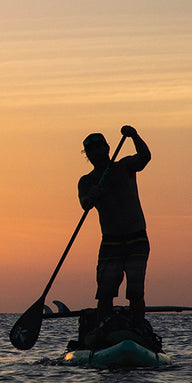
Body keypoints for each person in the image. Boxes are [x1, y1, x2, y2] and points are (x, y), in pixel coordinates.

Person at [78, 125, 152, 323]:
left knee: (135, 292)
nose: (95, 153)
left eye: (99, 148)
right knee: (105, 293)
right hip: (111, 243)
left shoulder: (125, 166)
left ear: (107, 148)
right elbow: (85, 205)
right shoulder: (87, 181)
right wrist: (91, 197)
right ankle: (103, 328)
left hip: (136, 238)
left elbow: (145, 157)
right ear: (88, 155)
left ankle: (136, 327)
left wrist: (135, 135)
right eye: (91, 151)